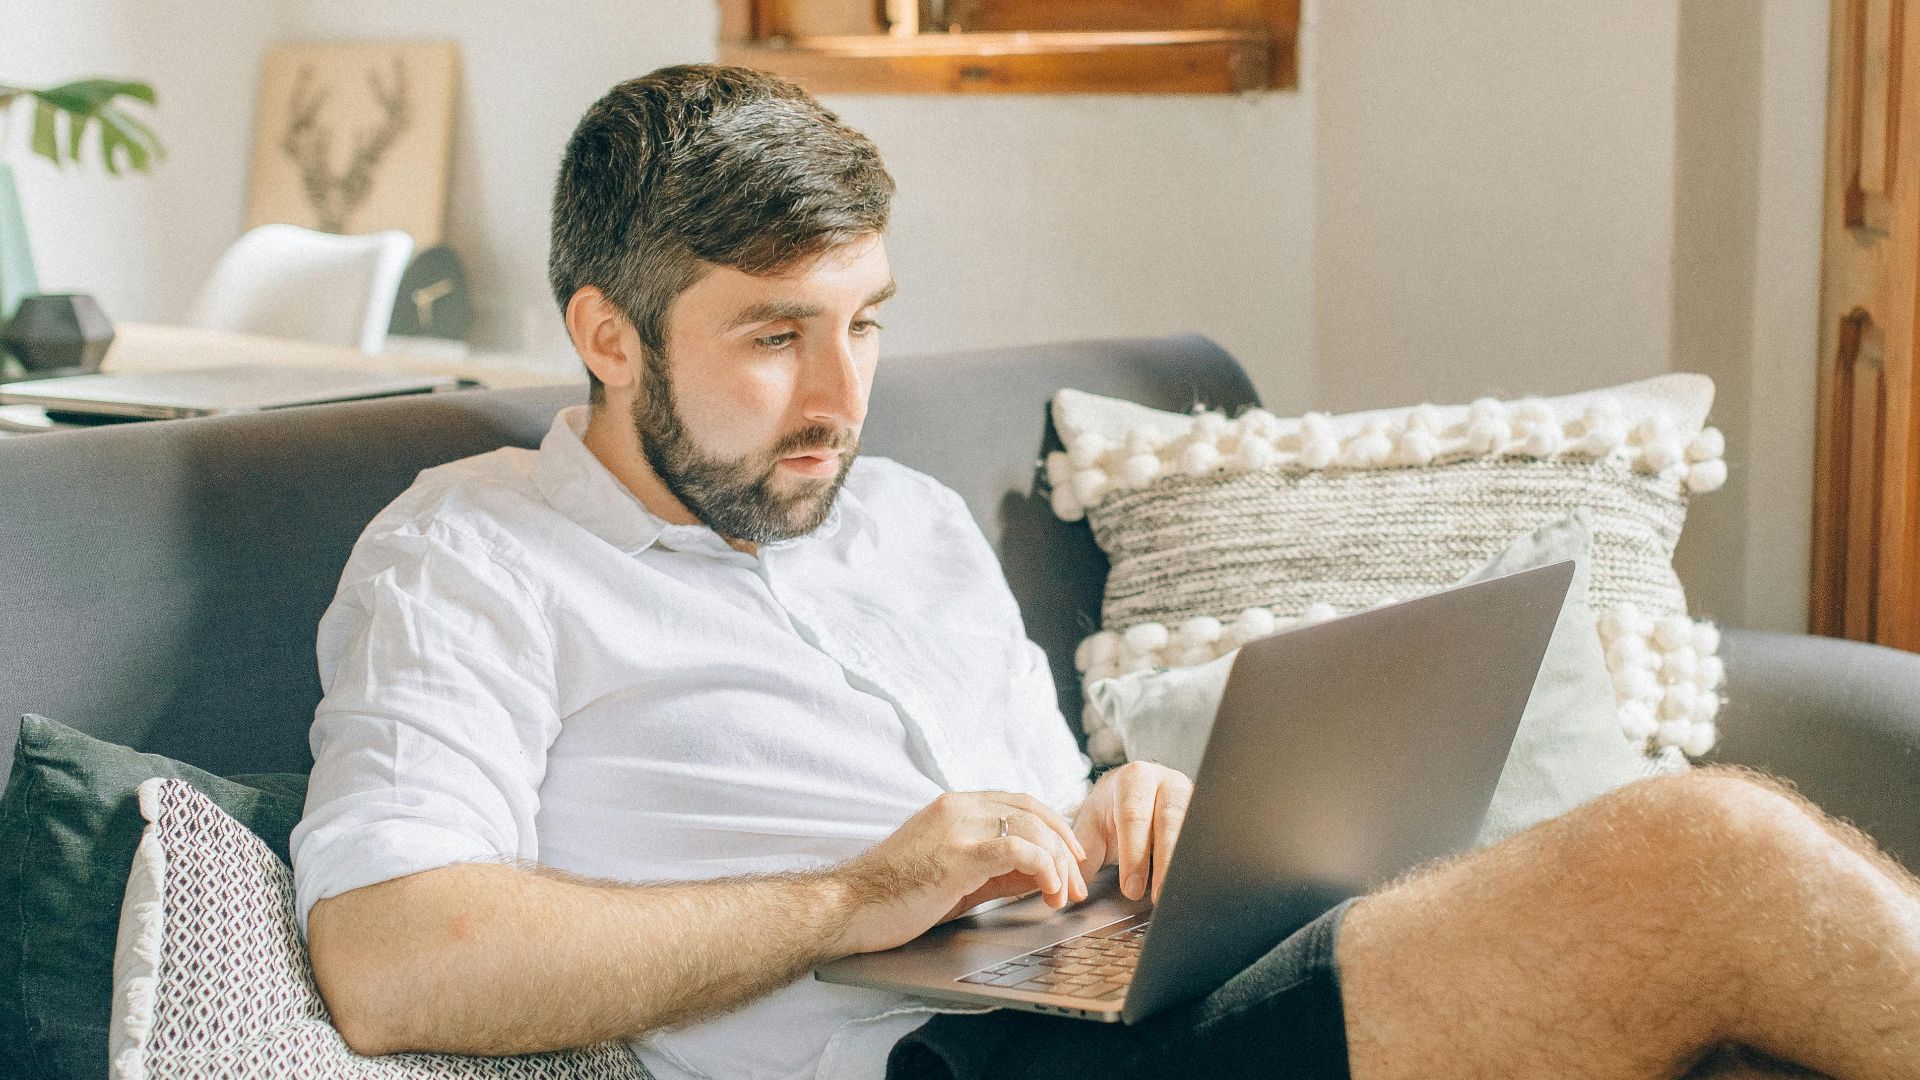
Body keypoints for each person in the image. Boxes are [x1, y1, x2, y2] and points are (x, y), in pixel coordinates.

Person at [293, 64, 1920, 1080]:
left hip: (1116, 998)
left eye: (866, 322)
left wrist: (1113, 820)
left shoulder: (909, 524)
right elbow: (390, 962)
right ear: (604, 333)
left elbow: (1031, 825)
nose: (840, 397)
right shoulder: (470, 557)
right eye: (773, 337)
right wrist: (855, 899)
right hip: (938, 1068)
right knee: (1705, 853)